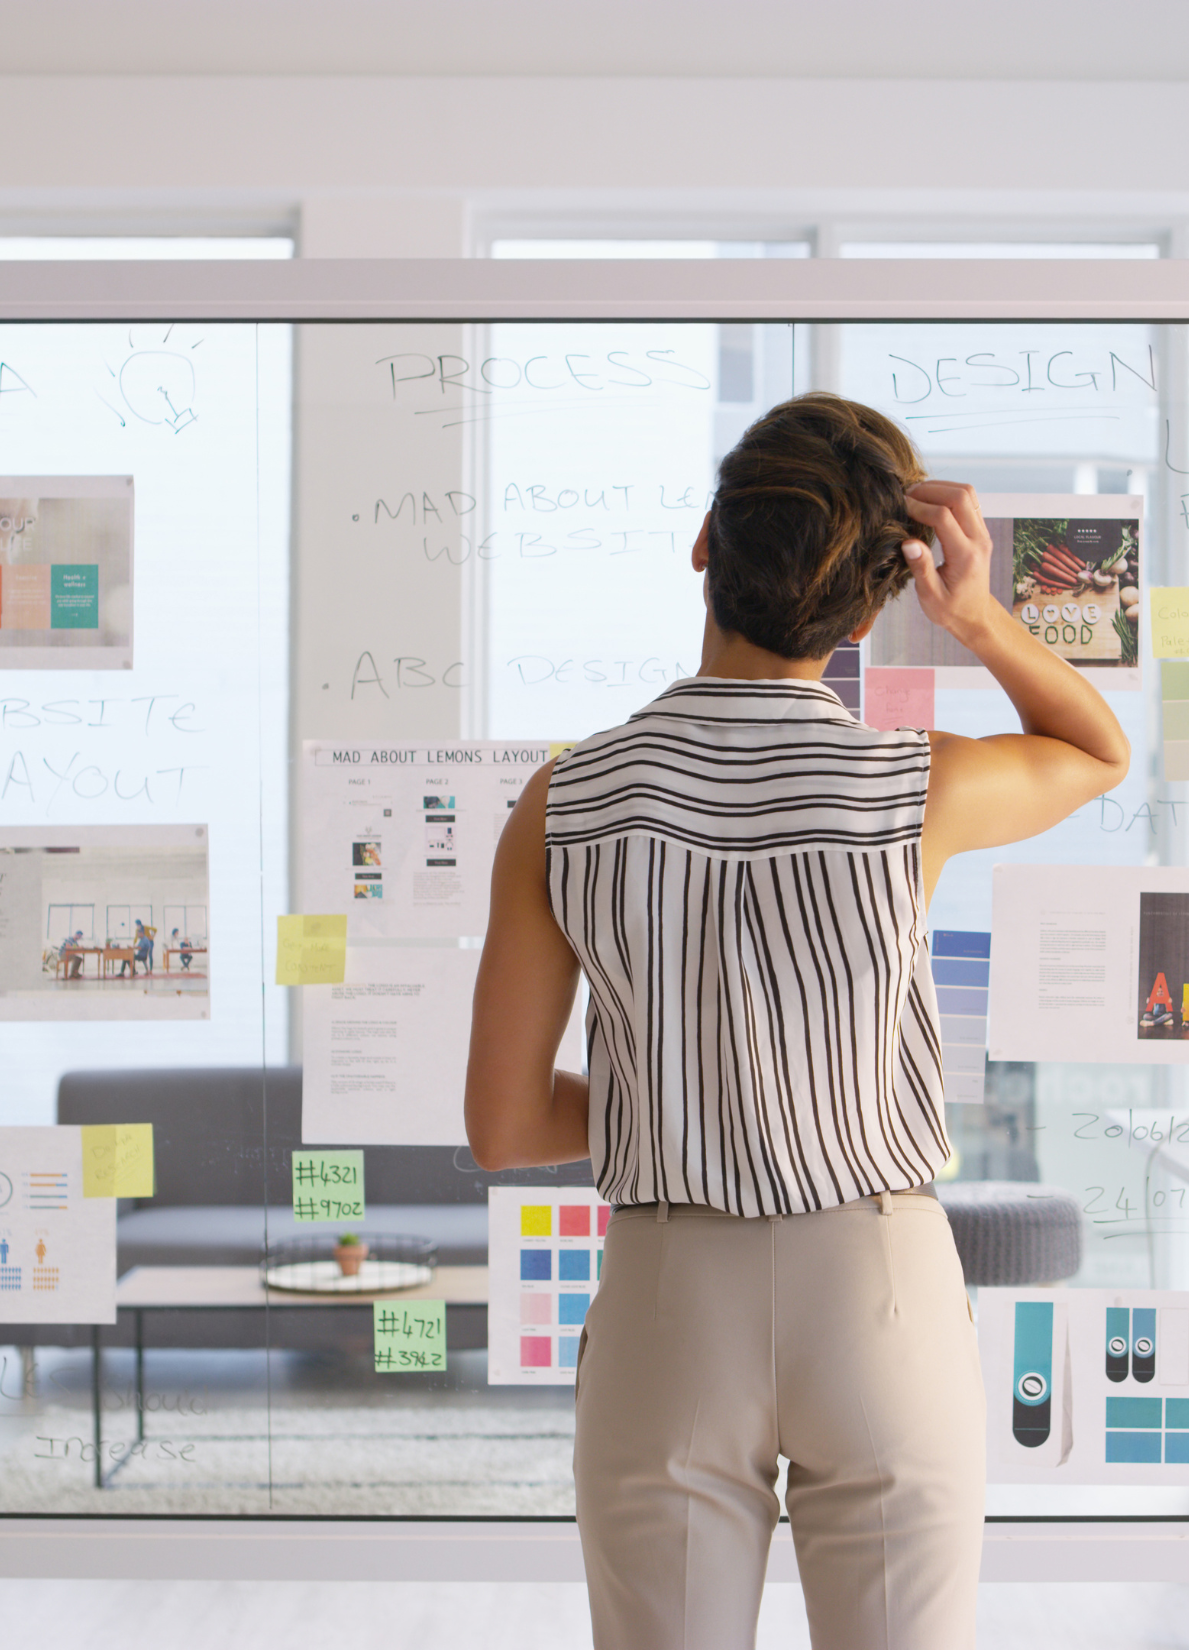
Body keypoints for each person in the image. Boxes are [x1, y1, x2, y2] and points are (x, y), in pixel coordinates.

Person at [464, 393, 1129, 1650]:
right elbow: (1096, 750)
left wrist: (691, 1091)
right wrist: (979, 615)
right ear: (879, 597)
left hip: (668, 1295)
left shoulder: (565, 800)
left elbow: (503, 1124)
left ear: (706, 543)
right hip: (879, 1288)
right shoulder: (913, 782)